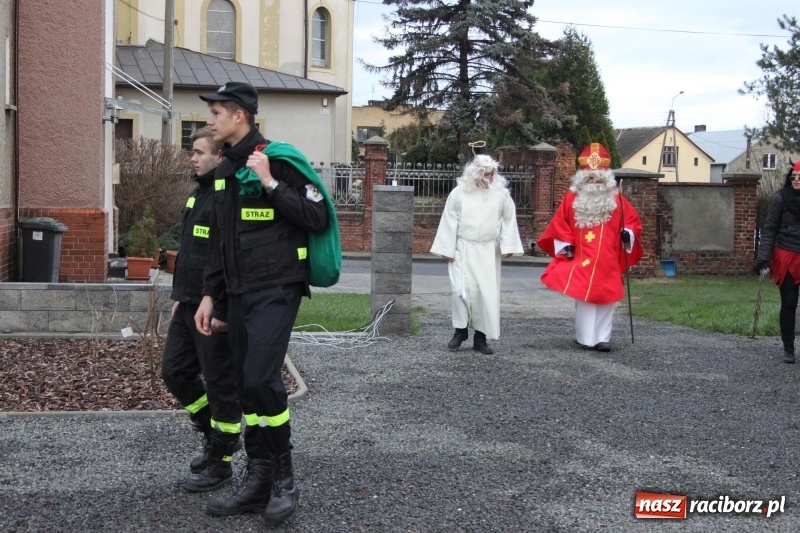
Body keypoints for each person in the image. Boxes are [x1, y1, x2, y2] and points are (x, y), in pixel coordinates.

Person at [194, 82, 329, 522]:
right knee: (246, 384)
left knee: (259, 378)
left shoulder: (277, 159)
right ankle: (258, 482)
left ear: (240, 116)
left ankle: (284, 481)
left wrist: (270, 181)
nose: (210, 121)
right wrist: (210, 295)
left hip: (277, 286)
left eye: (216, 112)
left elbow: (316, 216)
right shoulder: (223, 171)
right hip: (236, 291)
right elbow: (219, 242)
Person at [161, 126, 242, 493]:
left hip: (212, 305)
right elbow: (190, 249)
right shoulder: (198, 194)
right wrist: (180, 293)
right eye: (191, 152)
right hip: (188, 301)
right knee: (175, 372)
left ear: (219, 157)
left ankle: (221, 462)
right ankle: (213, 436)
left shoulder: (227, 197)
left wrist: (218, 303)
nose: (192, 158)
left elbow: (226, 258)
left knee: (221, 384)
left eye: (198, 152)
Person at [536, 143, 642, 352]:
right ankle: (585, 338)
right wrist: (566, 244)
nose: (593, 181)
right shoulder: (571, 199)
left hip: (608, 259)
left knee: (607, 299)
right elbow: (560, 224)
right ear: (582, 179)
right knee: (585, 297)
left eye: (597, 178)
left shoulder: (617, 200)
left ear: (605, 179)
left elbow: (633, 223)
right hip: (582, 258)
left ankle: (602, 338)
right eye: (589, 177)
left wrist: (627, 234)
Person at [430, 154, 524, 354]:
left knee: (484, 295)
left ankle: (480, 338)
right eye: (485, 174)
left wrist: (508, 245)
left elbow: (508, 219)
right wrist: (446, 248)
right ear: (475, 175)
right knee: (460, 291)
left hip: (488, 252)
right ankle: (460, 330)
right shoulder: (459, 193)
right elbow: (449, 219)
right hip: (462, 249)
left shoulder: (501, 195)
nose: (489, 178)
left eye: (492, 174)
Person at [754, 160, 800, 364]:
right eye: (794, 177)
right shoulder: (781, 198)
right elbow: (770, 228)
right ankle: (788, 348)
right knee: (789, 304)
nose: (797, 180)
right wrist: (763, 257)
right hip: (787, 256)